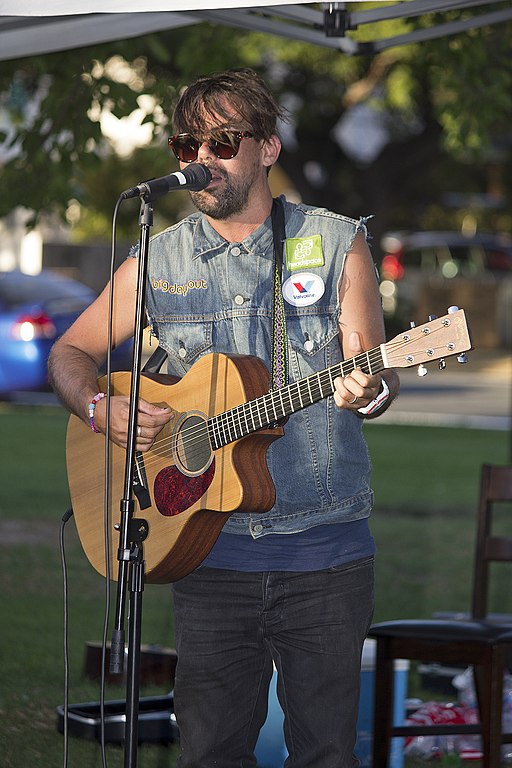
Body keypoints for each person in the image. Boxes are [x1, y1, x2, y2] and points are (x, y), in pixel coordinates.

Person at [49, 68, 400, 768]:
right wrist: (98, 407)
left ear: (267, 148)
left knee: (325, 753)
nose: (200, 159)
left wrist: (371, 388)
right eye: (188, 144)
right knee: (209, 753)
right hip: (204, 548)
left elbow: (373, 368)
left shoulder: (333, 244)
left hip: (323, 555)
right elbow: (72, 350)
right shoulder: (158, 257)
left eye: (223, 140)